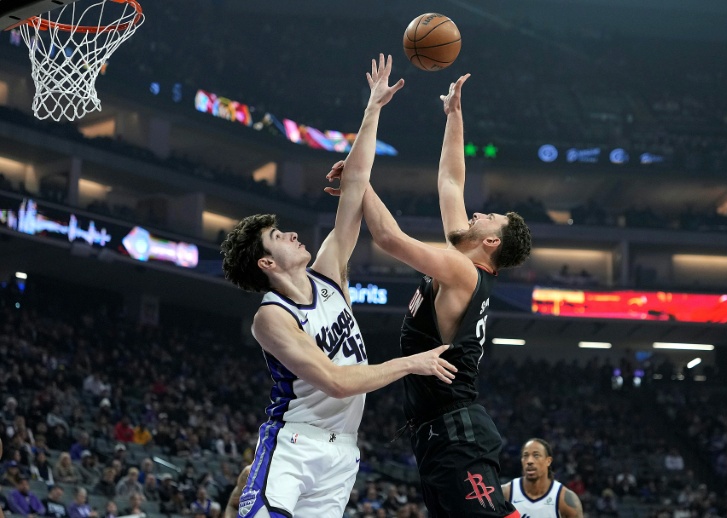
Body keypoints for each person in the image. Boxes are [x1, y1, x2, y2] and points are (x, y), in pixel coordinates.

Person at [220, 54, 455, 518]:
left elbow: (355, 186)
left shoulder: (327, 273)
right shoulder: (272, 316)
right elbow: (336, 381)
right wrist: (413, 363)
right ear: (267, 261)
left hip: (343, 453)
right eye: (278, 237)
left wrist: (373, 108)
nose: (291, 233)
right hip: (293, 444)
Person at [328, 74, 531, 517]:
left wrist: (359, 182)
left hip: (456, 431)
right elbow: (450, 182)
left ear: (491, 243)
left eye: (489, 216)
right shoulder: (463, 257)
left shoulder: (461, 270)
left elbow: (387, 237)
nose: (477, 212)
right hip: (439, 431)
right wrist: (454, 116)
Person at [501, 439, 583, 518]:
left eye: (536, 455)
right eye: (525, 456)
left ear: (548, 461)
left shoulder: (565, 499)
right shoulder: (505, 493)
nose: (529, 461)